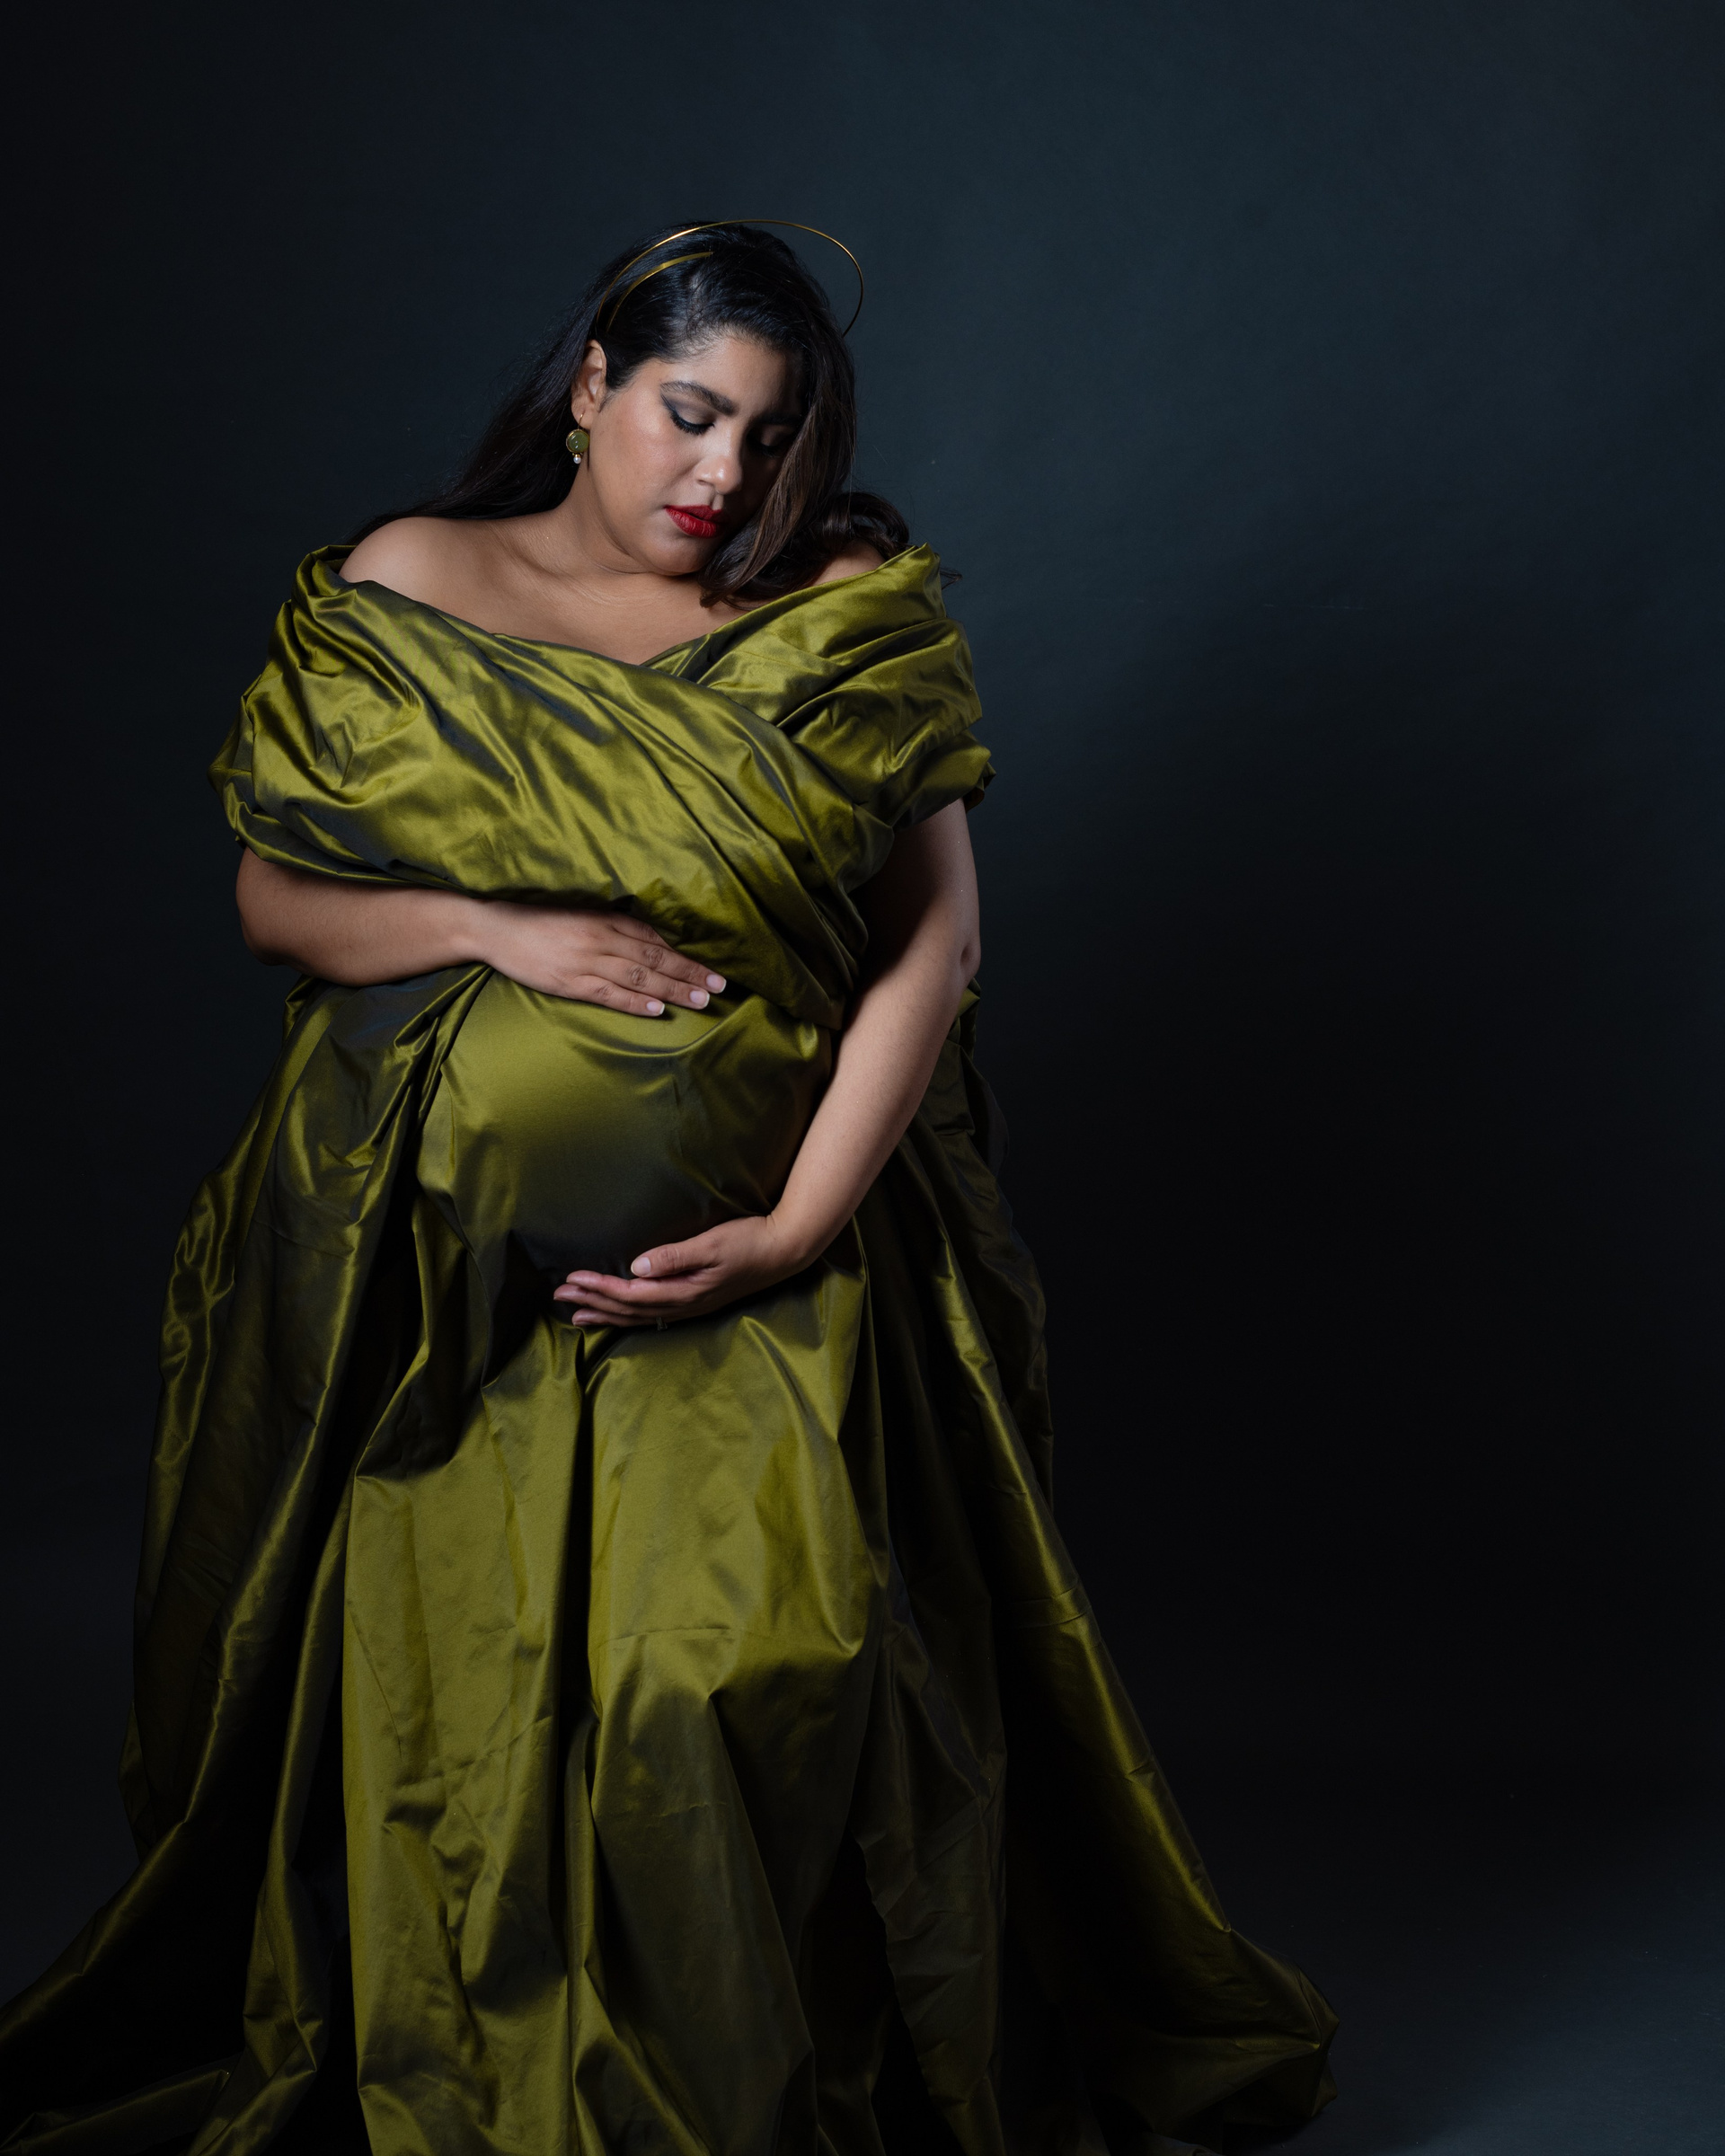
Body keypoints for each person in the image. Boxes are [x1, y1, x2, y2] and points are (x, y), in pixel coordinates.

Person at [0, 223, 1336, 2156]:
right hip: (432, 1291)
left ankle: (729, 2091)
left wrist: (794, 1227)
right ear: (591, 389)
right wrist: (501, 931)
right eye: (691, 416)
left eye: (770, 440)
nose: (725, 476)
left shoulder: (837, 600)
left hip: (767, 1257)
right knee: (441, 1699)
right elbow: (273, 901)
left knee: (731, 1675)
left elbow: (936, 945)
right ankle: (467, 2060)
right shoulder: (413, 581)